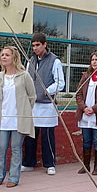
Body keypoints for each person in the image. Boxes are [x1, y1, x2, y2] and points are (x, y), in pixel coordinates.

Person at [0, 46, 36, 187]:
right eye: (2, 55)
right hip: (3, 119)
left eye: (7, 55)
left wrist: (24, 111)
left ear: (14, 58)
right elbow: (0, 98)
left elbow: (32, 96)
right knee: (1, 148)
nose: (4, 57)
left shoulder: (24, 75)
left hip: (18, 120)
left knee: (16, 148)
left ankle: (14, 178)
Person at [22, 33, 65, 175]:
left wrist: (47, 91)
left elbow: (60, 83)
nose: (35, 48)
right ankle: (28, 162)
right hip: (33, 104)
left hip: (47, 105)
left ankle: (50, 164)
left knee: (47, 136)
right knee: (30, 135)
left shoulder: (55, 61)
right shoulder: (30, 61)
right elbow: (27, 80)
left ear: (45, 44)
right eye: (33, 45)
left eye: (38, 45)